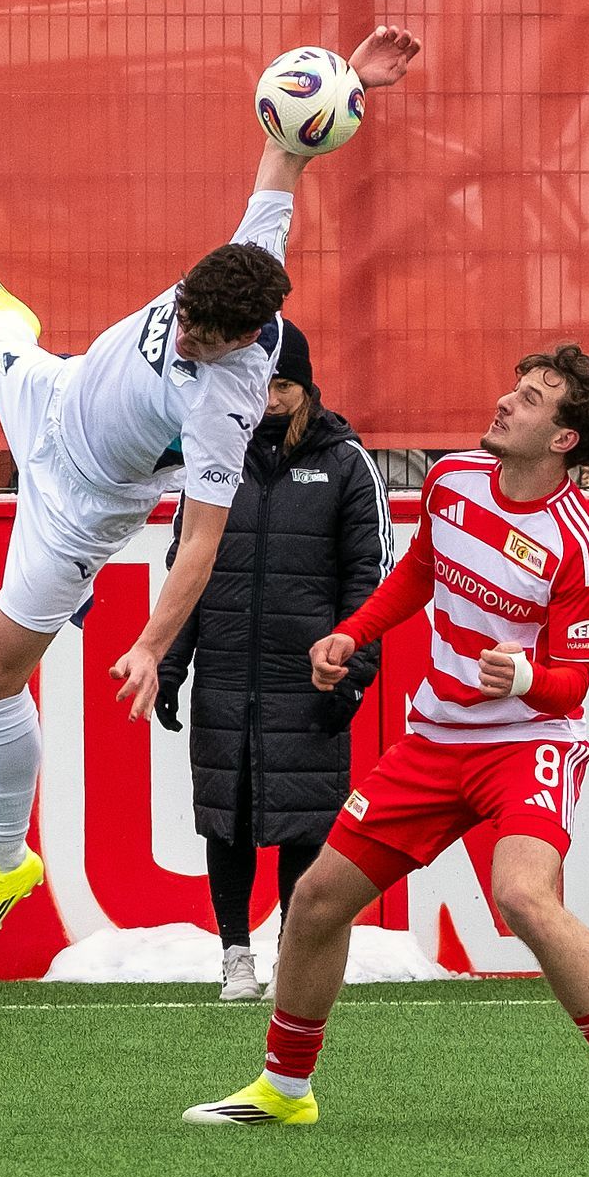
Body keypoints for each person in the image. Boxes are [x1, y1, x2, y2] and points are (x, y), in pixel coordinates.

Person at [0, 27, 422, 956]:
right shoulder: (242, 261)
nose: (184, 335)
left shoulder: (228, 405)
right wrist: (350, 82)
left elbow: (200, 541)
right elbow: (287, 152)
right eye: (184, 315)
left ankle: (4, 860)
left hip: (80, 505)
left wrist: (152, 645)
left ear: (247, 340)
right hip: (63, 391)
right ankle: (11, 322)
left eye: (200, 337)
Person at [183, 344, 589, 1134]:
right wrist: (352, 633)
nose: (507, 402)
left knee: (522, 895)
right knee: (316, 900)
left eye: (532, 399)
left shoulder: (582, 545)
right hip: (436, 741)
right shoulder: (452, 479)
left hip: (527, 744)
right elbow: (419, 570)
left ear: (564, 440)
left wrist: (524, 677)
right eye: (514, 388)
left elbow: (571, 687)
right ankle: (284, 1088)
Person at [153, 322, 390, 1000]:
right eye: (262, 384)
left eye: (283, 385)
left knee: (305, 822)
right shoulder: (213, 458)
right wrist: (170, 665)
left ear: (307, 387)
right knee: (224, 818)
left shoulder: (347, 463)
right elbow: (185, 574)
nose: (270, 398)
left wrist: (353, 674)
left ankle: (293, 952)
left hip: (309, 678)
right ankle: (235, 957)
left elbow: (370, 580)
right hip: (226, 675)